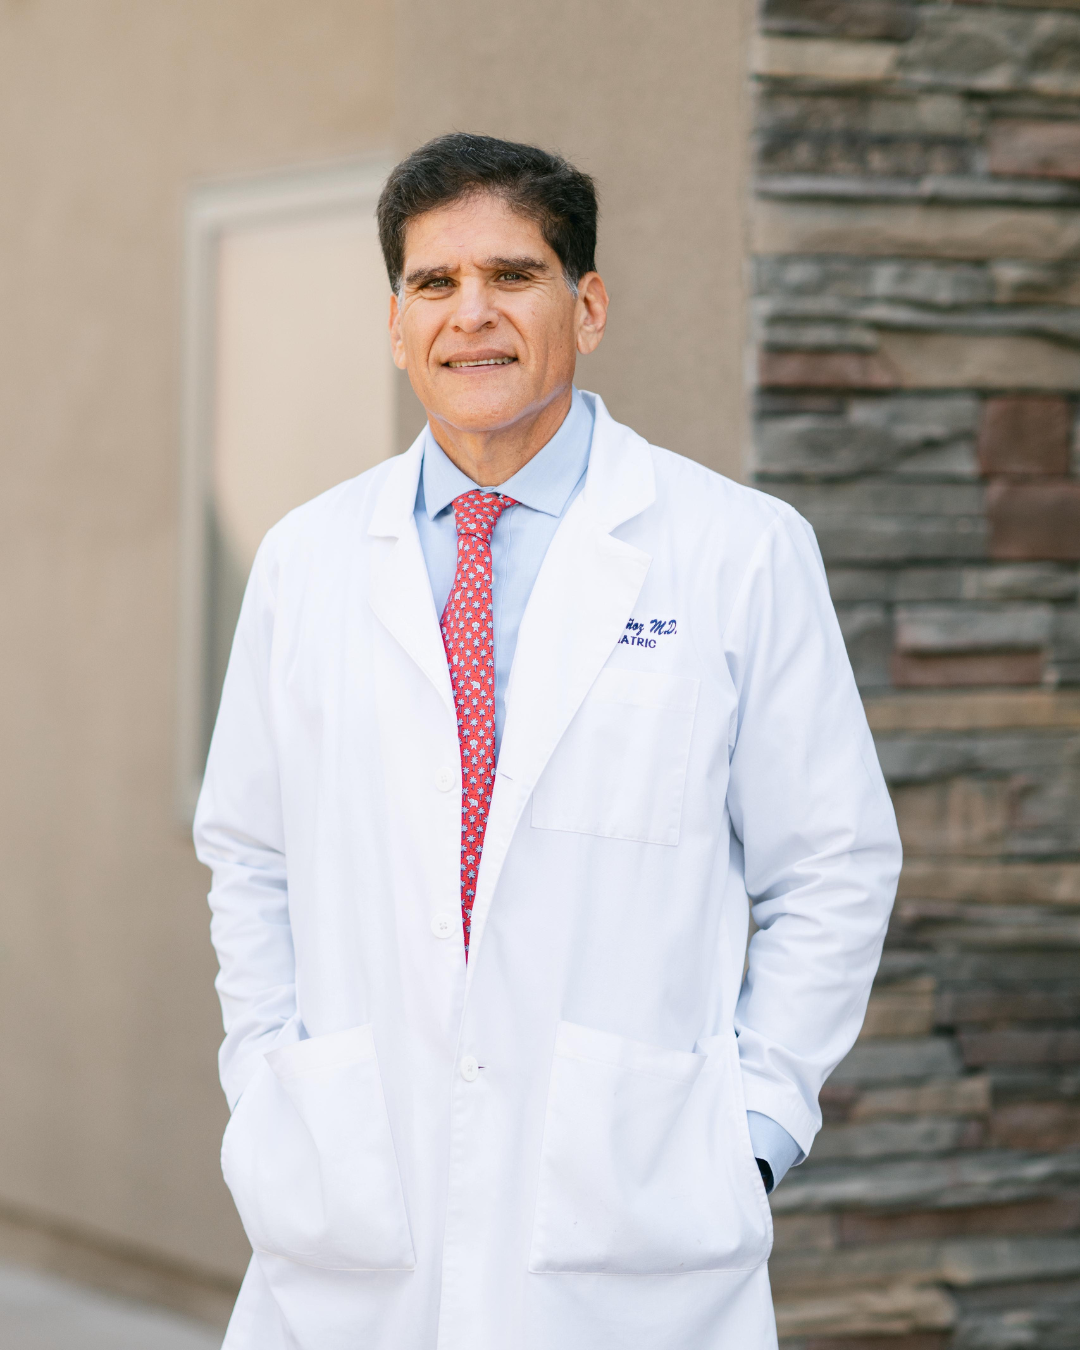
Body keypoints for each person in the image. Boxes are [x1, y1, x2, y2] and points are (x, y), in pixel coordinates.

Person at [195, 132, 902, 1350]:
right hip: (353, 1213)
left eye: (512, 276)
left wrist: (755, 1132)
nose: (472, 316)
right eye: (434, 282)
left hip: (632, 1225)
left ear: (589, 304)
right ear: (396, 318)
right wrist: (266, 1085)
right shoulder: (306, 561)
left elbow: (832, 864)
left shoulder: (735, 550)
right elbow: (250, 856)